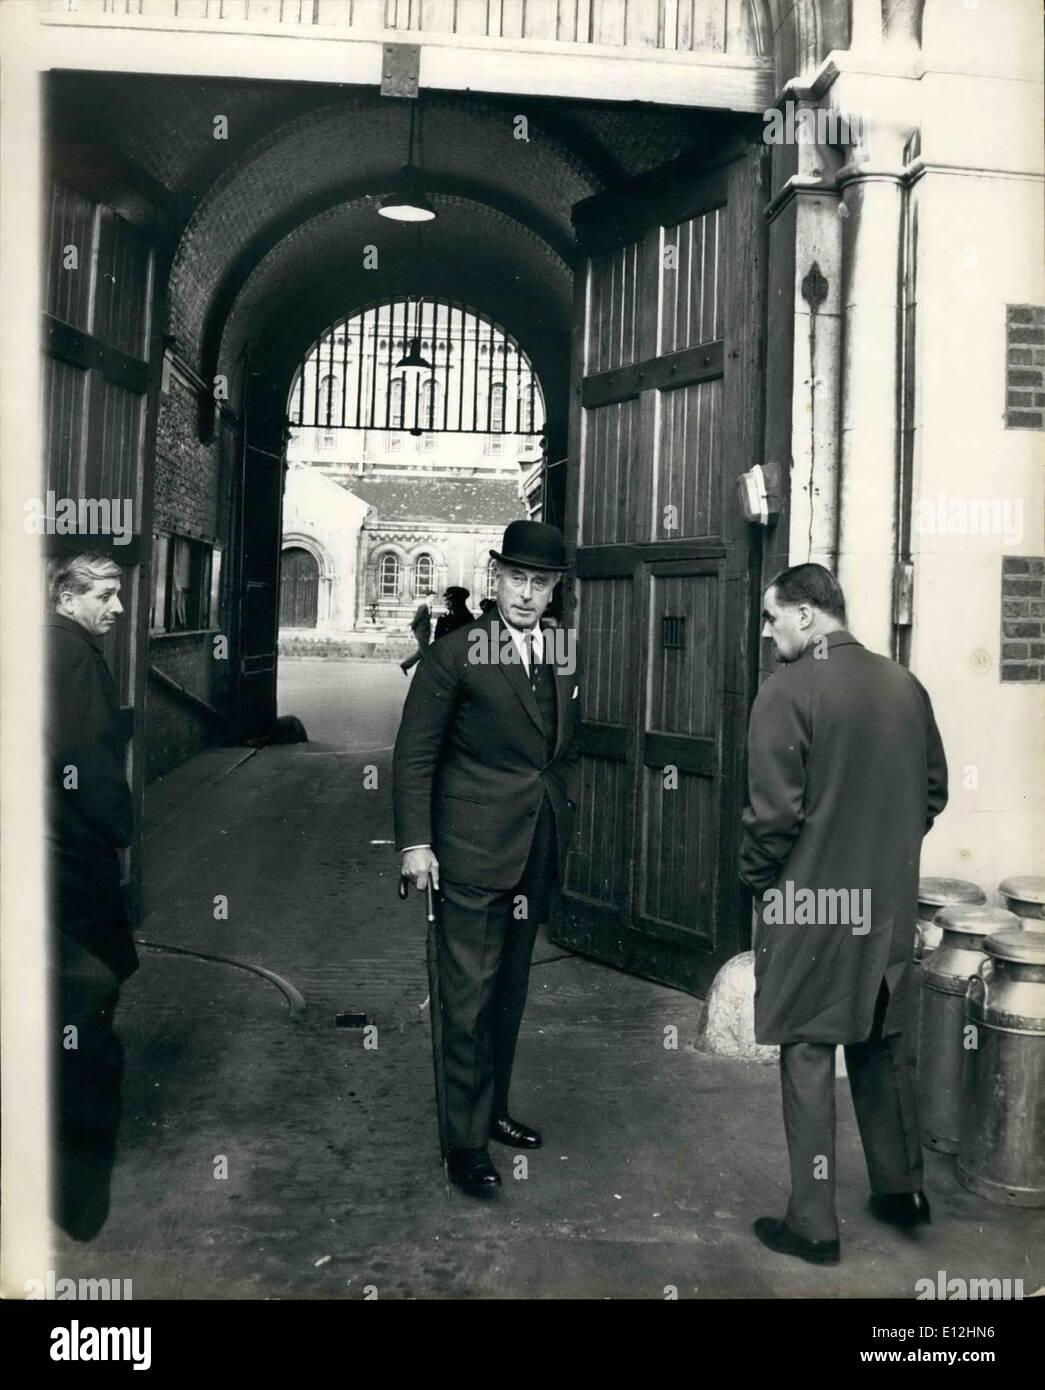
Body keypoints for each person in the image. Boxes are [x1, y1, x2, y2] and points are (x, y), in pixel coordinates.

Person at [740, 563, 948, 1266]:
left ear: (805, 615)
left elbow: (773, 817)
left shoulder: (785, 691)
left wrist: (758, 880)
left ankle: (812, 1224)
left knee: (806, 1046)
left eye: (772, 619)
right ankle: (901, 1190)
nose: (767, 635)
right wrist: (882, 855)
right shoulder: (902, 684)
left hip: (811, 902)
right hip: (886, 904)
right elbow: (933, 791)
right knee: (881, 1038)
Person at [393, 521, 579, 1196]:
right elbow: (414, 755)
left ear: (554, 591)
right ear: (495, 577)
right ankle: (463, 1145)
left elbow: (556, 745)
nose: (528, 595)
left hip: (533, 847)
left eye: (542, 584)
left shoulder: (559, 649)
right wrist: (416, 844)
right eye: (518, 580)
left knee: (508, 991)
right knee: (465, 998)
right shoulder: (457, 653)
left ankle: (492, 1109)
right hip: (468, 852)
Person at [45, 550, 137, 1240]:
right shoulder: (73, 658)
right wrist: (119, 827)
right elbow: (82, 759)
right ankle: (78, 1197)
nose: (117, 608)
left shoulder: (48, 647)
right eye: (104, 595)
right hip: (69, 858)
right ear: (68, 596)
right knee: (84, 1005)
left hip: (48, 853)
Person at [400, 589, 437, 675]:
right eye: (431, 597)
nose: (433, 599)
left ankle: (405, 665)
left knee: (420, 653)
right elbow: (417, 619)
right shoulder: (423, 607)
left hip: (426, 633)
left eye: (434, 597)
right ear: (427, 597)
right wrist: (411, 629)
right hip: (420, 633)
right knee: (426, 654)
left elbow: (427, 621)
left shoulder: (430, 607)